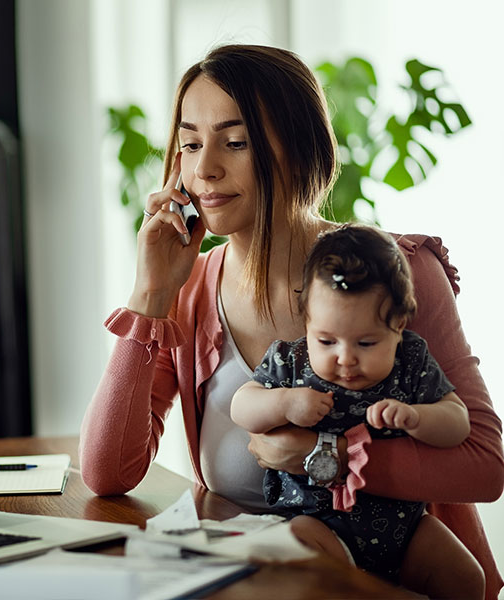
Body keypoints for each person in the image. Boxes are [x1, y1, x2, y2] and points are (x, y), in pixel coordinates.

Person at [77, 44, 503, 599]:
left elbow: (484, 467)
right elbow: (107, 473)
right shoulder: (190, 291)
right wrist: (150, 292)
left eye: (235, 143)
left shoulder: (398, 273)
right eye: (189, 143)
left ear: (300, 151)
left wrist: (321, 457)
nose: (204, 168)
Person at [231, 224, 480, 596]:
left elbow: (458, 423)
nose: (345, 358)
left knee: (467, 577)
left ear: (399, 327)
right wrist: (284, 402)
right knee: (299, 551)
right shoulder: (292, 363)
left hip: (406, 529)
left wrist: (419, 418)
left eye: (366, 342)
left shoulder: (410, 361)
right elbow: (241, 407)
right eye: (327, 340)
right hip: (316, 523)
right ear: (307, 322)